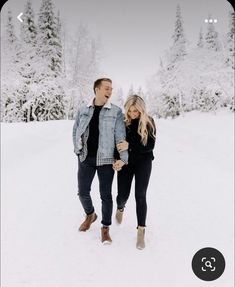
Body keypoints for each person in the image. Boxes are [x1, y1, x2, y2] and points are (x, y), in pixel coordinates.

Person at [73, 78, 128, 244]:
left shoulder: (116, 112)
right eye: (106, 88)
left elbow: (120, 136)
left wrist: (123, 158)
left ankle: (105, 228)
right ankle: (90, 214)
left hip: (106, 160)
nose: (110, 91)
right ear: (96, 89)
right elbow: (75, 130)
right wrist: (78, 151)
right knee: (82, 192)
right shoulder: (83, 110)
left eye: (111, 88)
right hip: (86, 158)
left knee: (106, 196)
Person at [113, 95, 156, 250]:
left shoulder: (149, 122)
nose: (132, 113)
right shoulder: (123, 123)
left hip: (143, 162)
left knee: (140, 195)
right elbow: (118, 145)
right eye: (130, 110)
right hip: (126, 162)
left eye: (135, 110)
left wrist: (130, 146)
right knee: (122, 194)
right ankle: (120, 207)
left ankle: (141, 231)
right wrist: (116, 160)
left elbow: (149, 145)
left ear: (141, 109)